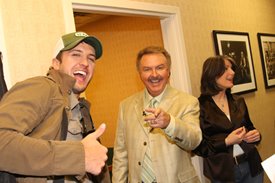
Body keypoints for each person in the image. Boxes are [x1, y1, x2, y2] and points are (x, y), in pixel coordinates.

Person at [0, 31, 111, 183]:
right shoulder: (42, 87)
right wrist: (78, 156)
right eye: (76, 54)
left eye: (91, 58)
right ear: (56, 63)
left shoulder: (81, 108)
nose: (85, 63)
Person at [112, 46, 202, 183]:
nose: (154, 75)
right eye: (147, 69)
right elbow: (120, 154)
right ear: (140, 74)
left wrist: (169, 123)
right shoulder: (126, 106)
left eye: (160, 67)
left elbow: (194, 140)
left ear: (168, 71)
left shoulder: (188, 102)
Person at [193, 55, 263, 183]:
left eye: (232, 68)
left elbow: (250, 127)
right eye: (226, 69)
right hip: (223, 173)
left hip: (251, 166)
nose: (232, 72)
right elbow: (199, 147)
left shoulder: (238, 101)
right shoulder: (198, 106)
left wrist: (256, 135)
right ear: (212, 74)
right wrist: (226, 141)